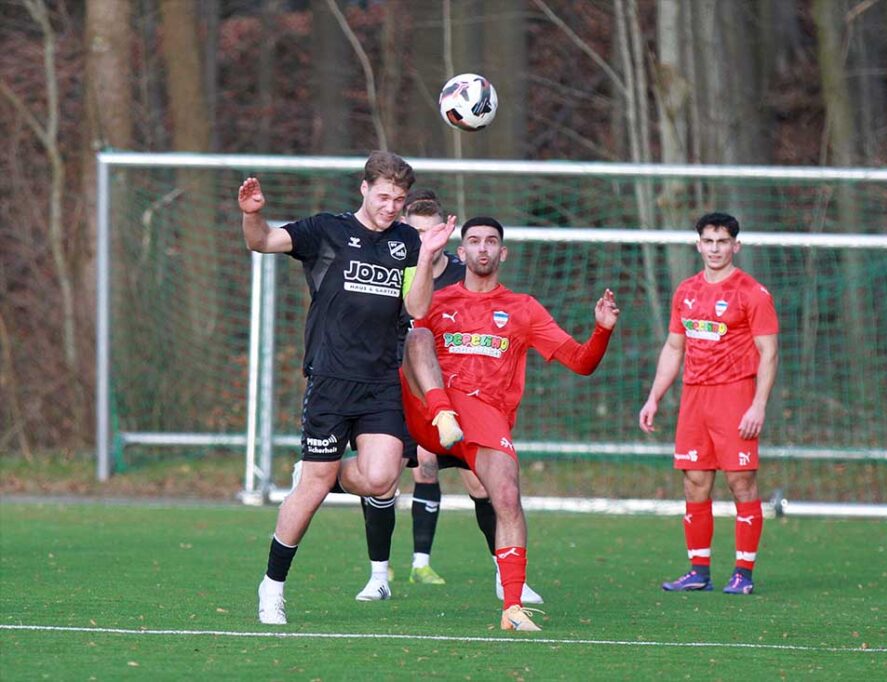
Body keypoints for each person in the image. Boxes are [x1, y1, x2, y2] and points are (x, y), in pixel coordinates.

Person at [239, 151, 456, 625]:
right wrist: (252, 214)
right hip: (331, 379)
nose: (391, 206)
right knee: (314, 486)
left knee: (381, 479)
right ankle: (272, 585)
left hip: (380, 382)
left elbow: (418, 309)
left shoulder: (404, 241)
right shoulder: (327, 231)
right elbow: (263, 242)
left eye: (399, 199)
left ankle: (321, 474)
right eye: (383, 196)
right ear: (364, 189)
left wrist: (426, 253)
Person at [400, 216, 620, 631]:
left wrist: (601, 330)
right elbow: (411, 333)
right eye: (473, 241)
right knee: (416, 335)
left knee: (506, 494)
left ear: (503, 253)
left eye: (491, 242)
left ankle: (513, 607)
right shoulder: (436, 301)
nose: (482, 248)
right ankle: (439, 411)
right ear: (460, 252)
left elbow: (582, 362)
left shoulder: (524, 308)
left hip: (483, 419)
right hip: (431, 411)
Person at [360, 190, 543, 604]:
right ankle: (379, 574)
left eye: (431, 230)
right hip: (391, 384)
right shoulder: (389, 265)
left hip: (450, 397)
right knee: (384, 477)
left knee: (480, 483)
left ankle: (503, 572)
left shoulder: (461, 275)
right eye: (415, 230)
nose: (424, 238)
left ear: (445, 231)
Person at [638, 212, 778, 596]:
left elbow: (769, 352)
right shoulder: (685, 291)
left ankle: (743, 573)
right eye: (708, 241)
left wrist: (758, 405)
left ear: (736, 245)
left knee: (740, 482)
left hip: (735, 395)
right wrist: (654, 398)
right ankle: (698, 570)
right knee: (695, 482)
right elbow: (673, 347)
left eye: (723, 241)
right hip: (694, 397)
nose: (715, 249)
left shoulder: (752, 293)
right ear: (698, 244)